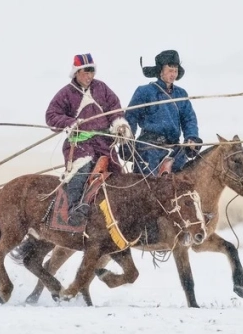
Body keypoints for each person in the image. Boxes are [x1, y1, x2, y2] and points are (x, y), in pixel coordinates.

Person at [45, 53, 133, 226]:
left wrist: (119, 124)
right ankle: (74, 209)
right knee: (82, 170)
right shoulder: (66, 93)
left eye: (92, 72)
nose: (89, 76)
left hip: (104, 143)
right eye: (85, 72)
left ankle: (118, 214)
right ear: (76, 72)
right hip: (80, 144)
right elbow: (51, 115)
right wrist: (70, 123)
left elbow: (114, 108)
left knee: (117, 175)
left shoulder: (102, 88)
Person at [124, 49, 202, 177]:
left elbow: (189, 119)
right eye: (170, 70)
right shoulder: (144, 91)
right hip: (148, 147)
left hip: (174, 147)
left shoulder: (181, 94)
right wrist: (127, 141)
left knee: (183, 180)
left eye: (175, 71)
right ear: (160, 71)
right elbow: (131, 117)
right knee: (150, 183)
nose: (173, 74)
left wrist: (191, 138)